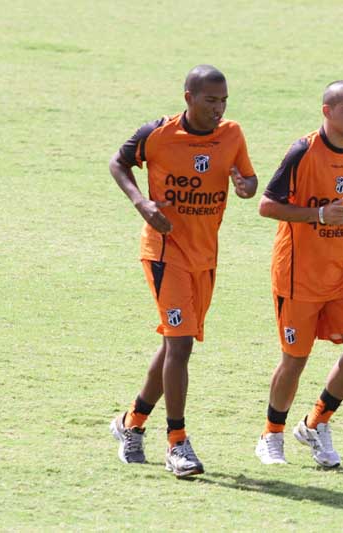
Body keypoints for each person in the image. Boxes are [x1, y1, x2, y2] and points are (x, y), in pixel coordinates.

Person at [108, 65, 257, 477]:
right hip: (164, 252)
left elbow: (248, 177)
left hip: (205, 257)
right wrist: (141, 203)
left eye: (224, 100)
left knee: (177, 343)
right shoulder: (156, 134)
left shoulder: (232, 133)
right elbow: (118, 164)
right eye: (211, 100)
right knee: (181, 345)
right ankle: (177, 443)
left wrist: (246, 185)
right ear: (188, 97)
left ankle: (130, 424)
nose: (219, 108)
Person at [255, 80, 343, 467]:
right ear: (327, 111)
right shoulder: (302, 152)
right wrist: (318, 215)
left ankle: (316, 423)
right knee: (296, 358)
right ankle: (271, 435)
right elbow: (267, 206)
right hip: (298, 275)